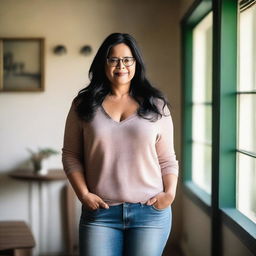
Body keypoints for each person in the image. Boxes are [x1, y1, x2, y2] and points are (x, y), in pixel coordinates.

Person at [62, 32, 179, 256]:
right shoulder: (83, 105)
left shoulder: (157, 105)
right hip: (100, 213)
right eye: (113, 59)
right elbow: (71, 155)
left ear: (136, 63)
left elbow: (167, 159)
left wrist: (170, 193)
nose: (121, 66)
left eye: (127, 59)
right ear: (103, 63)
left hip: (150, 213)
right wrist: (83, 194)